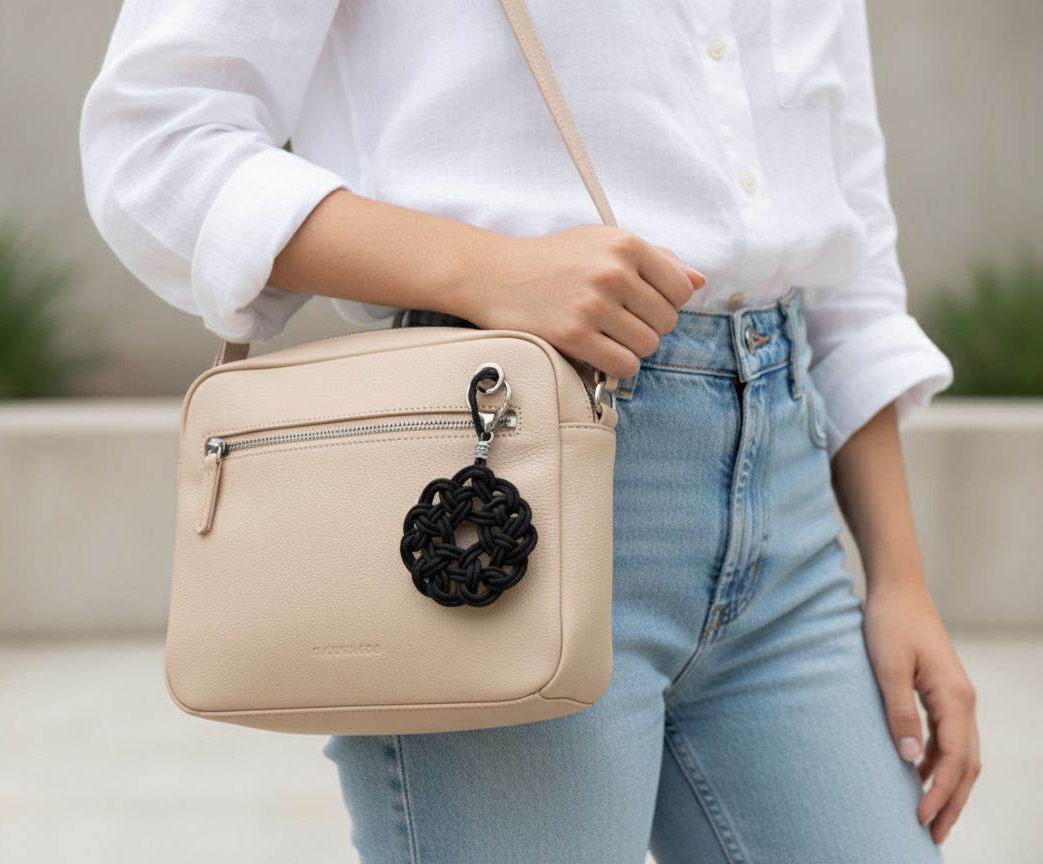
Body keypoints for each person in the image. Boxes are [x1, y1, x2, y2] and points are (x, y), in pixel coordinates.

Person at [81, 1, 980, 860]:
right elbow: (156, 142)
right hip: (494, 490)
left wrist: (900, 577)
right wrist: (486, 270)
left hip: (788, 526)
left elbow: (846, 239)